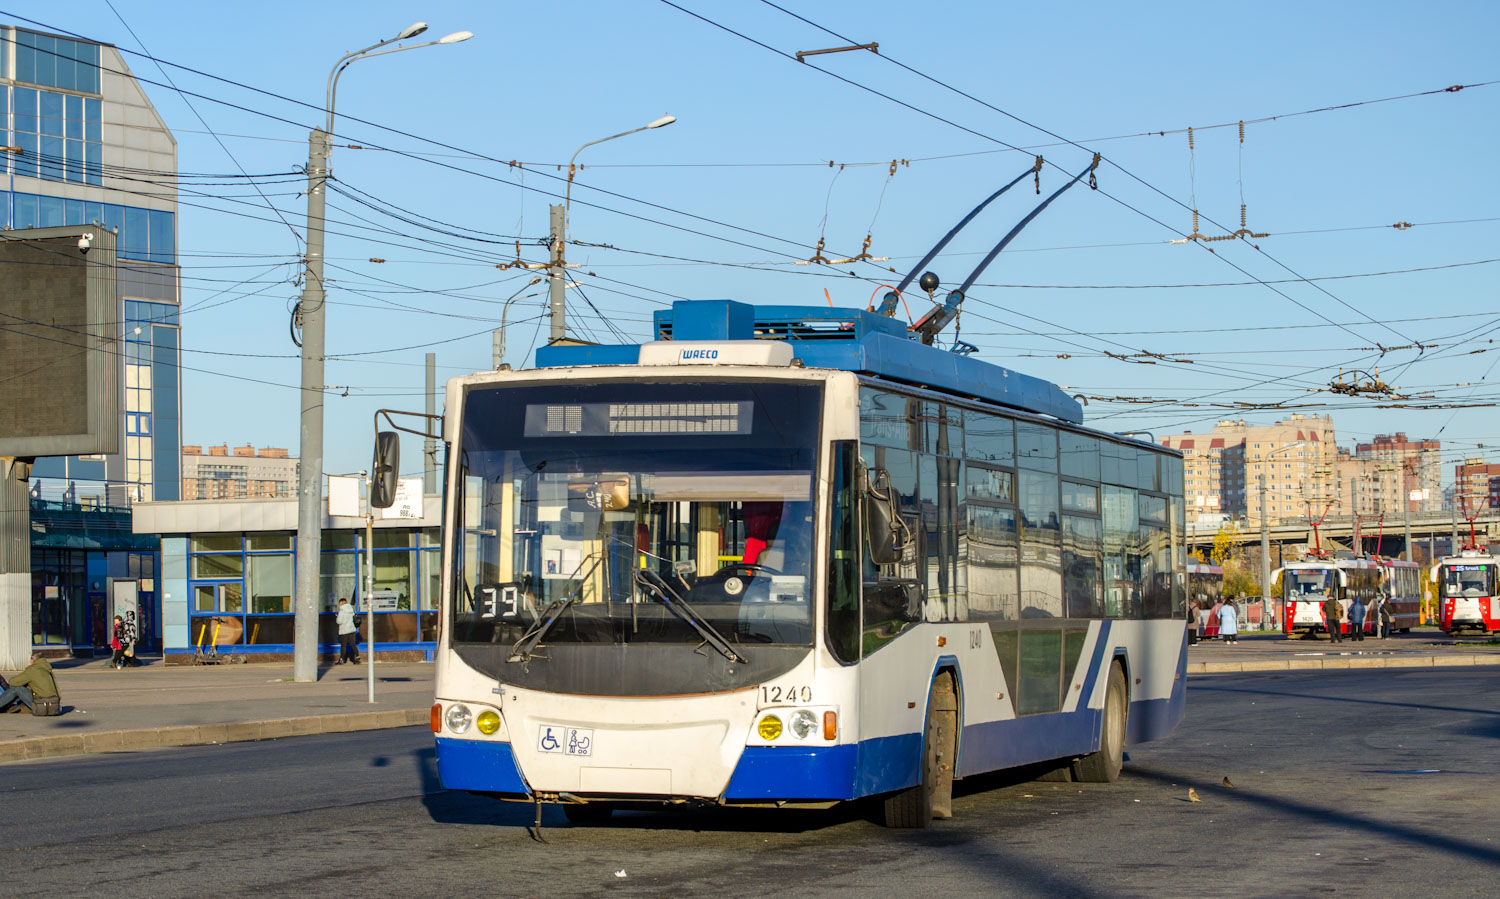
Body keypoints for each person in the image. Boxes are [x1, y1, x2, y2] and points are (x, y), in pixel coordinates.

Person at [336, 598, 361, 665]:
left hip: (344, 630)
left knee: (343, 646)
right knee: (353, 644)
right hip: (351, 630)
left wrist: (337, 617)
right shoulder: (351, 610)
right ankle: (357, 657)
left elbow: (339, 621)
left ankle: (342, 659)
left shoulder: (342, 611)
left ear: (340, 603)